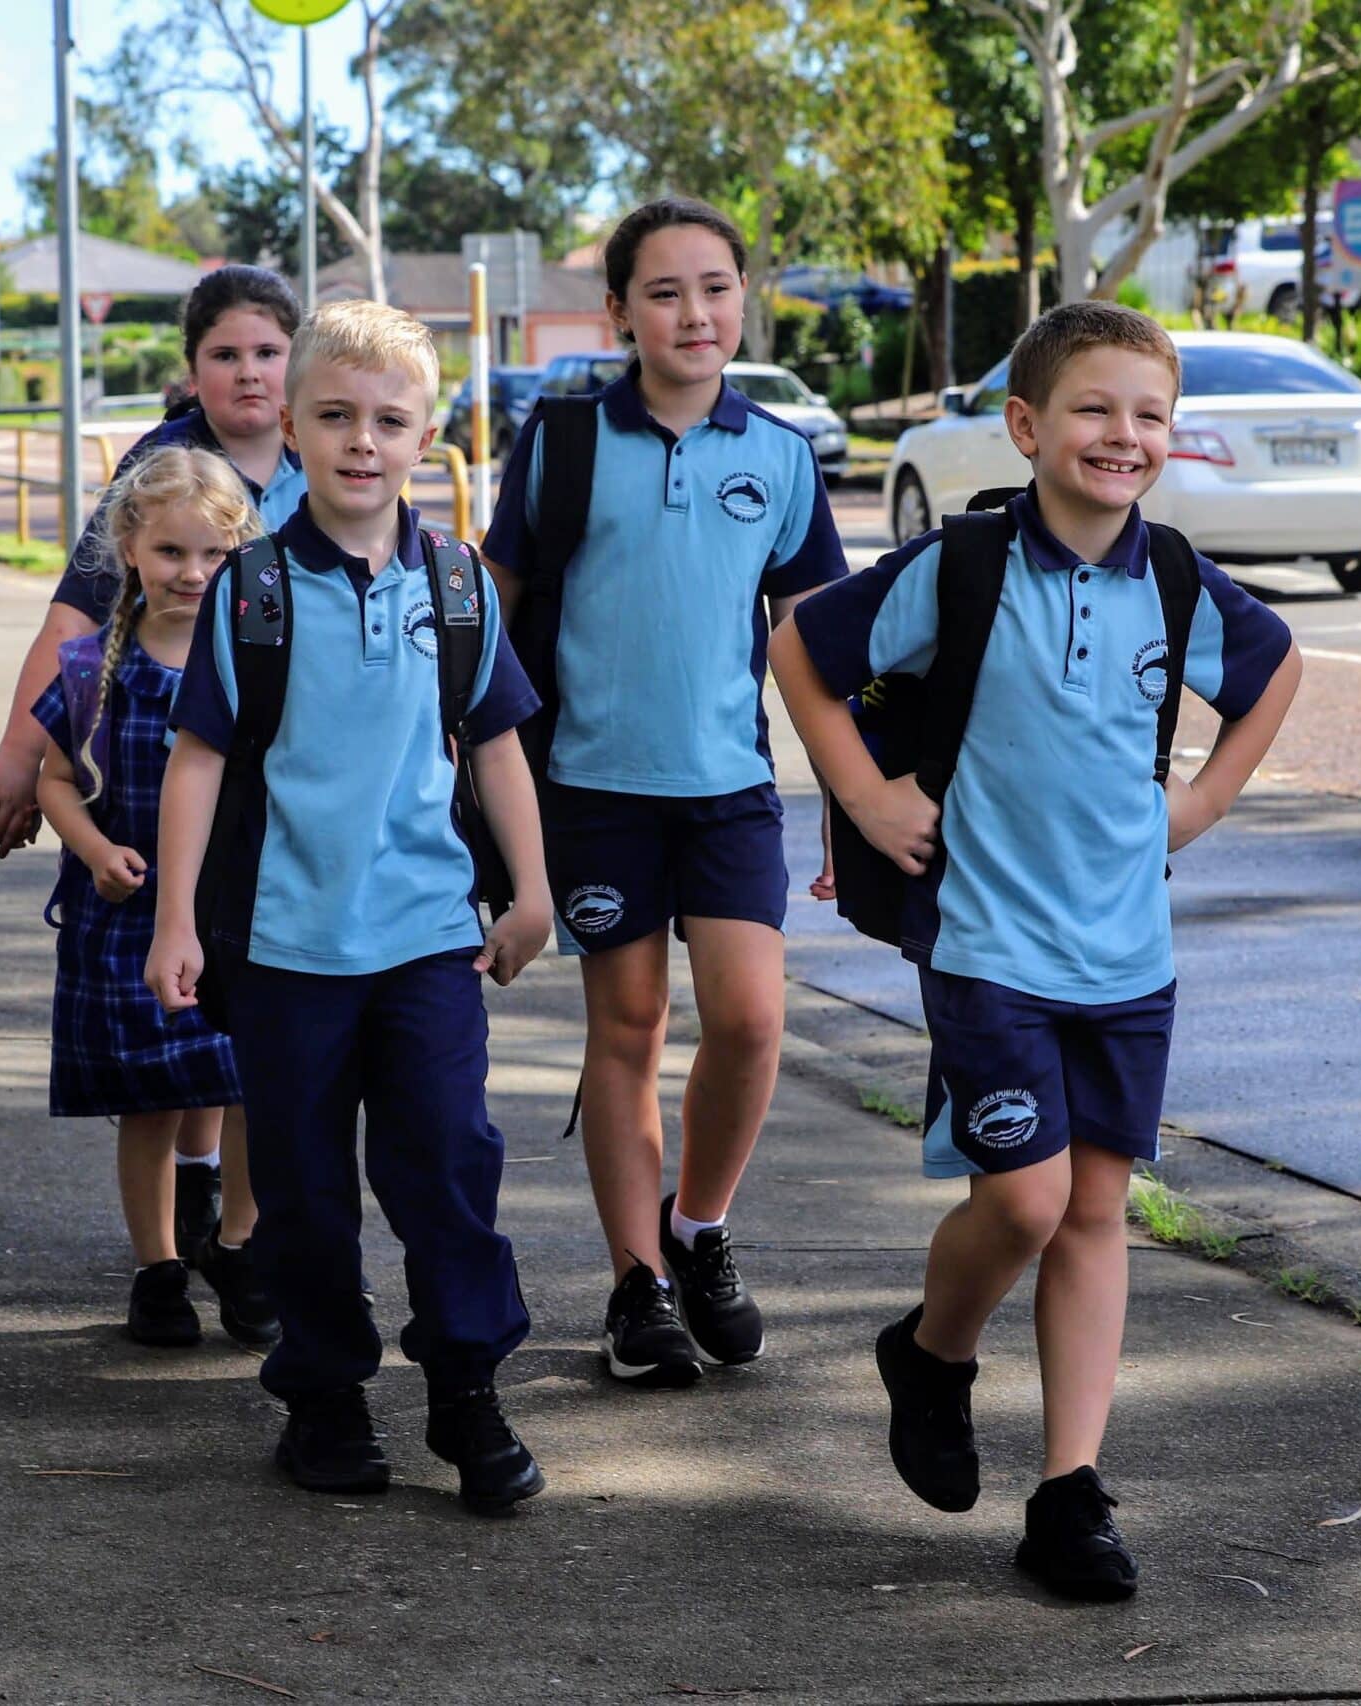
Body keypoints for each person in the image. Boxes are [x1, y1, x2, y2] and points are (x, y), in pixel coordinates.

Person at [770, 302, 1301, 1599]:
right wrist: (871, 797)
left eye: (1150, 416)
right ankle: (934, 1352)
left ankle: (1069, 1490)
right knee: (1025, 1196)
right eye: (1095, 409)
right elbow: (801, 649)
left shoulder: (1171, 578)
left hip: (1127, 955)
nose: (1124, 436)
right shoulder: (964, 569)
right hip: (987, 939)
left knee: (1098, 1209)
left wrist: (1205, 801)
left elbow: (1276, 668)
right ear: (1027, 426)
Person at [144, 301, 554, 1516]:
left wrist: (529, 891)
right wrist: (176, 920)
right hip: (285, 945)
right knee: (307, 1190)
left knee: (446, 1166)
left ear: (427, 439)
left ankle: (468, 1391)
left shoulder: (459, 584)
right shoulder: (252, 585)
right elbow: (200, 760)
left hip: (428, 936)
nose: (360, 442)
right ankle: (325, 1392)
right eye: (334, 416)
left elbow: (497, 747)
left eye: (388, 421)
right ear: (294, 422)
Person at [480, 197, 846, 1388]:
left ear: (745, 298)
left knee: (749, 1020)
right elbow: (494, 605)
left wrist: (850, 804)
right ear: (619, 311)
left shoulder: (781, 456)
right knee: (625, 1031)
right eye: (664, 291)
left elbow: (813, 651)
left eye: (715, 287)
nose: (694, 312)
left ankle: (699, 1227)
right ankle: (636, 1285)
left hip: (728, 787)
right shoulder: (565, 439)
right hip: (591, 789)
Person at [0, 264, 305, 1272]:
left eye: (267, 353)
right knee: (178, 1026)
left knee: (242, 1036)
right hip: (151, 770)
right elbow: (74, 618)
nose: (248, 374)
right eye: (224, 355)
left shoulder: (321, 450)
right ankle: (181, 1222)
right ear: (192, 368)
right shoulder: (159, 470)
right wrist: (19, 761)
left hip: (275, 792)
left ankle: (224, 1216)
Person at [29, 445, 276, 1350]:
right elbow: (57, 780)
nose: (193, 574)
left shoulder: (257, 666)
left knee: (249, 1084)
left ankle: (243, 1245)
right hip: (122, 913)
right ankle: (158, 1266)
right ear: (130, 546)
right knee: (151, 1102)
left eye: (214, 556)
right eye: (172, 552)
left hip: (231, 916)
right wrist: (92, 848)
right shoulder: (92, 665)